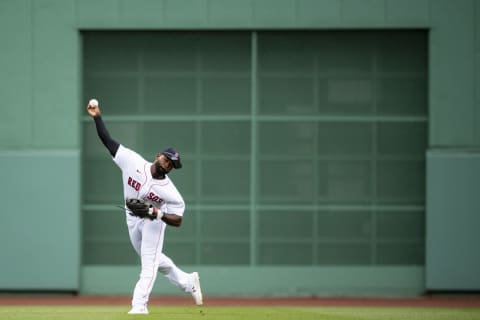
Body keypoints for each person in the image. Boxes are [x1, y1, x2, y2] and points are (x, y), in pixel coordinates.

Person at [86, 99, 203, 315]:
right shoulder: (132, 162)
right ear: (158, 155)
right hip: (132, 219)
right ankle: (188, 282)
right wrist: (97, 116)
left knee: (148, 265)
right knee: (155, 260)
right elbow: (107, 141)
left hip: (153, 222)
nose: (167, 165)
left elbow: (178, 219)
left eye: (172, 165)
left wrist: (156, 213)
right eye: (167, 159)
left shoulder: (169, 190)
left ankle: (139, 307)